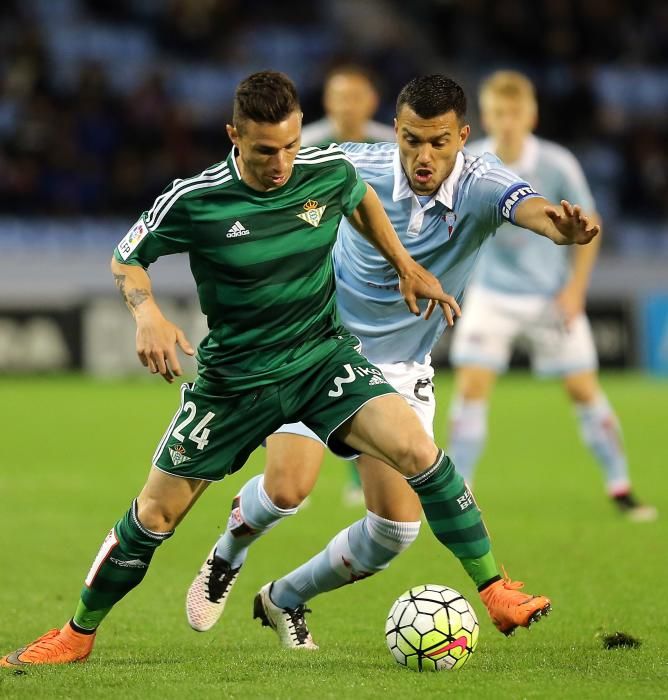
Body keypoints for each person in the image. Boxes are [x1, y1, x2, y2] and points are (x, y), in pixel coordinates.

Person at [0, 70, 508, 668]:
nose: (282, 163)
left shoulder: (323, 171)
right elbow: (126, 257)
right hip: (235, 381)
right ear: (233, 136)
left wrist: (404, 264)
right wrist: (147, 314)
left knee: (420, 454)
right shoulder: (195, 199)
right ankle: (76, 633)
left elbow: (359, 196)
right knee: (156, 514)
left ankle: (496, 588)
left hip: (321, 359)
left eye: (291, 145)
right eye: (267, 150)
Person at [185, 75, 599, 650]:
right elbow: (266, 161)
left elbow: (529, 208)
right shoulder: (360, 163)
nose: (422, 156)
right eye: (410, 141)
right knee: (287, 489)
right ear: (396, 132)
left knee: (396, 528)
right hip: (315, 352)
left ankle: (282, 598)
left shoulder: (485, 182)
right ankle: (228, 552)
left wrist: (559, 228)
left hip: (401, 368)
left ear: (463, 136)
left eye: (438, 143)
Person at [448, 70, 657, 522]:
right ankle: (460, 492)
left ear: (531, 114)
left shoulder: (557, 163)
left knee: (584, 390)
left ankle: (620, 486)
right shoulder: (470, 161)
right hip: (492, 296)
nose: (507, 121)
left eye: (515, 112)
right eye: (499, 112)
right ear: (485, 116)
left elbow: (592, 226)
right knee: (471, 388)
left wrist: (575, 290)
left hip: (549, 297)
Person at [300, 64, 395, 148]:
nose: (348, 106)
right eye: (341, 98)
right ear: (326, 100)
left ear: (373, 101)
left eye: (357, 98)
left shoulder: (393, 144)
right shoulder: (303, 144)